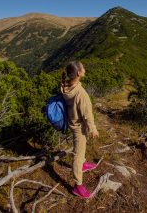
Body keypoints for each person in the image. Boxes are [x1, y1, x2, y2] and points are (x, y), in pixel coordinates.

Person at [61, 60, 100, 198]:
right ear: (78, 73)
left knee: (80, 150)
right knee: (78, 154)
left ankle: (83, 164)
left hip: (72, 122)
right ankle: (78, 186)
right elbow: (87, 115)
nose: (85, 69)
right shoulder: (81, 94)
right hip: (79, 127)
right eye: (83, 68)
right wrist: (93, 129)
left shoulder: (65, 86)